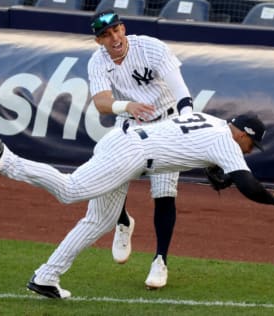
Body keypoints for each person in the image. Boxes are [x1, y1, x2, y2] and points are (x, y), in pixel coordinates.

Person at [0, 111, 274, 299]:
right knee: (71, 190)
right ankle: (10, 160)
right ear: (243, 134)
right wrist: (272, 199)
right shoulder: (227, 141)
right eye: (252, 144)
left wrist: (216, 170)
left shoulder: (209, 120)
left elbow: (192, 149)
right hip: (132, 155)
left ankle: (46, 277)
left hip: (125, 142)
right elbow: (248, 185)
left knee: (100, 221)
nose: (251, 151)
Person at [87, 9, 195, 289]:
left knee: (164, 192)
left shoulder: (152, 48)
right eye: (105, 35)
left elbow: (182, 92)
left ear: (123, 28)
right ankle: (122, 221)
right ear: (98, 41)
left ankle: (160, 260)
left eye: (115, 30)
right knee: (110, 175)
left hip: (168, 119)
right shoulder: (97, 61)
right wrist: (128, 107)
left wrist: (186, 124)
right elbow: (101, 103)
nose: (113, 38)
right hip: (130, 122)